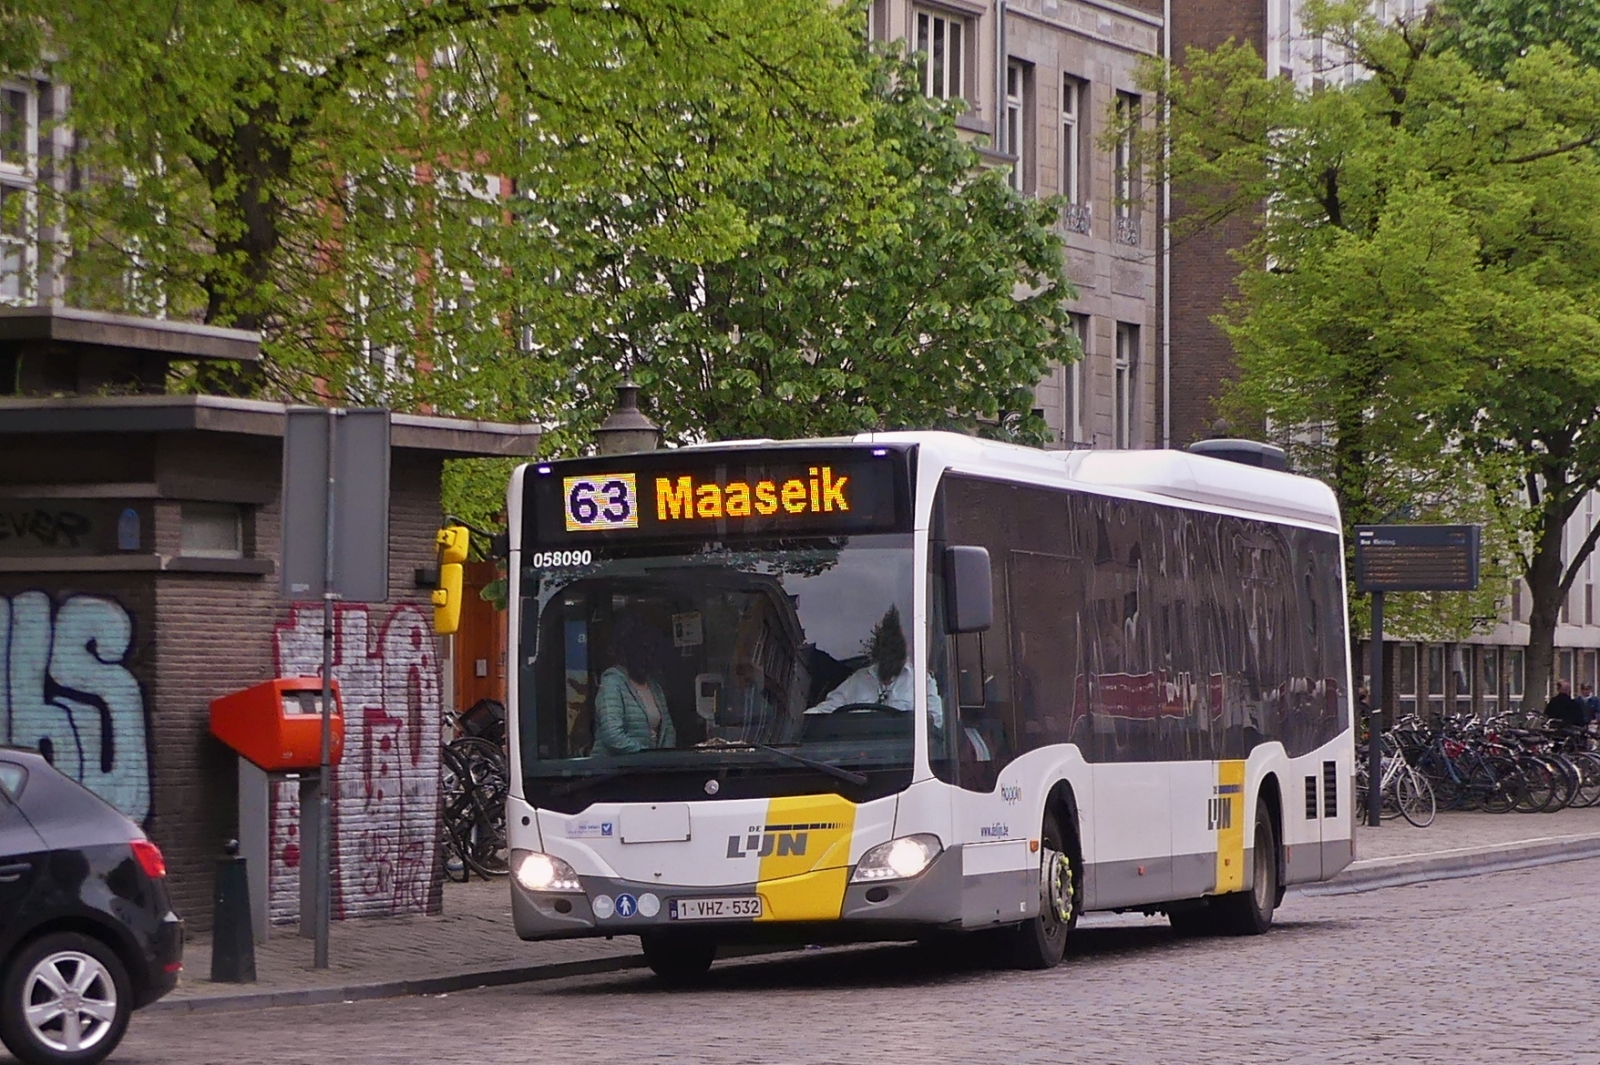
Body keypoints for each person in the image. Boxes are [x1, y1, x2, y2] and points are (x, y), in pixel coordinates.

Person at [805, 605, 943, 729]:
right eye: (885, 646)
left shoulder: (921, 681)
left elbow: (935, 722)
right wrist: (804, 720)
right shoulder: (859, 679)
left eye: (895, 647)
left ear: (906, 649)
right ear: (877, 650)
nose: (890, 653)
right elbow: (828, 708)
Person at [592, 617, 677, 755]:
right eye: (643, 651)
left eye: (652, 651)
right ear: (628, 653)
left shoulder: (654, 685)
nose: (648, 657)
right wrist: (646, 754)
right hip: (613, 771)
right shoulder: (612, 683)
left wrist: (663, 757)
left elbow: (668, 729)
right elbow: (612, 735)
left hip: (649, 768)